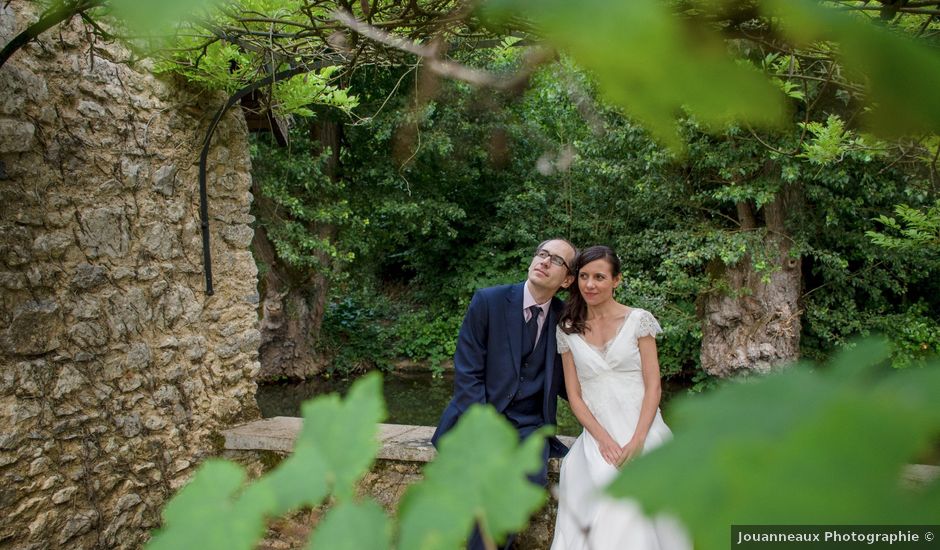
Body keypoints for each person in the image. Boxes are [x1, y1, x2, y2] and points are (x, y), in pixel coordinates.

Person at [432, 238, 578, 550]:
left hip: (531, 426)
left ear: (566, 280)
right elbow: (468, 372)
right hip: (481, 417)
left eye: (556, 260)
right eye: (541, 254)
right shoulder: (489, 301)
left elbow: (573, 384)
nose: (544, 261)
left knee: (523, 481)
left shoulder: (566, 319)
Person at [550, 245, 690, 550]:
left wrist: (638, 440)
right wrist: (603, 440)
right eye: (584, 276)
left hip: (643, 429)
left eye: (599, 277)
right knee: (604, 495)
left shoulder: (639, 321)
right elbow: (574, 395)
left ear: (617, 280)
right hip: (598, 437)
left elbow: (653, 385)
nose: (589, 284)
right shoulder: (568, 329)